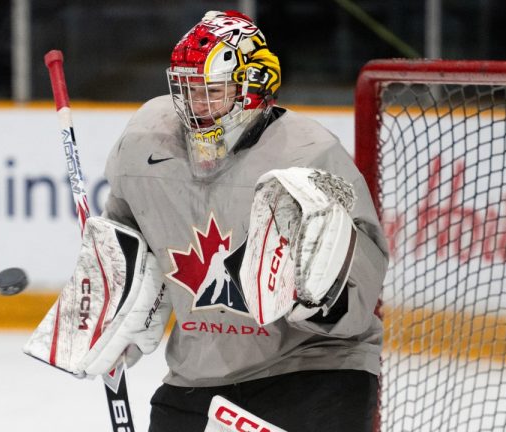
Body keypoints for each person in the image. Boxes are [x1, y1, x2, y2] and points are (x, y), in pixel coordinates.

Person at [103, 10, 389, 431]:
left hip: (312, 370)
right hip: (199, 372)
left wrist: (319, 300)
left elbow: (361, 290)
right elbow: (125, 239)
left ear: (253, 87)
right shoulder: (146, 143)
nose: (195, 108)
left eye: (212, 92)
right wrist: (114, 297)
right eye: (187, 92)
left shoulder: (309, 155)